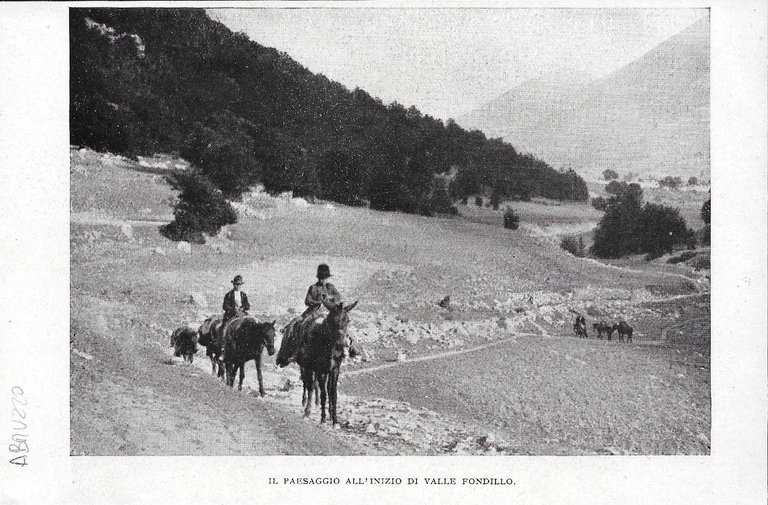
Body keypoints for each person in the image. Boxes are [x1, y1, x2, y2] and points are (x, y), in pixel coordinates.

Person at [278, 264, 346, 367]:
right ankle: (293, 352)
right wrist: (318, 301)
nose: (323, 280)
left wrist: (329, 298)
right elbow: (307, 300)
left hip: (329, 312)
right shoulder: (313, 288)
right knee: (295, 324)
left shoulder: (331, 287)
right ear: (319, 278)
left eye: (325, 278)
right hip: (314, 312)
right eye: (321, 278)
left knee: (341, 324)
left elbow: (338, 298)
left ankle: (348, 348)